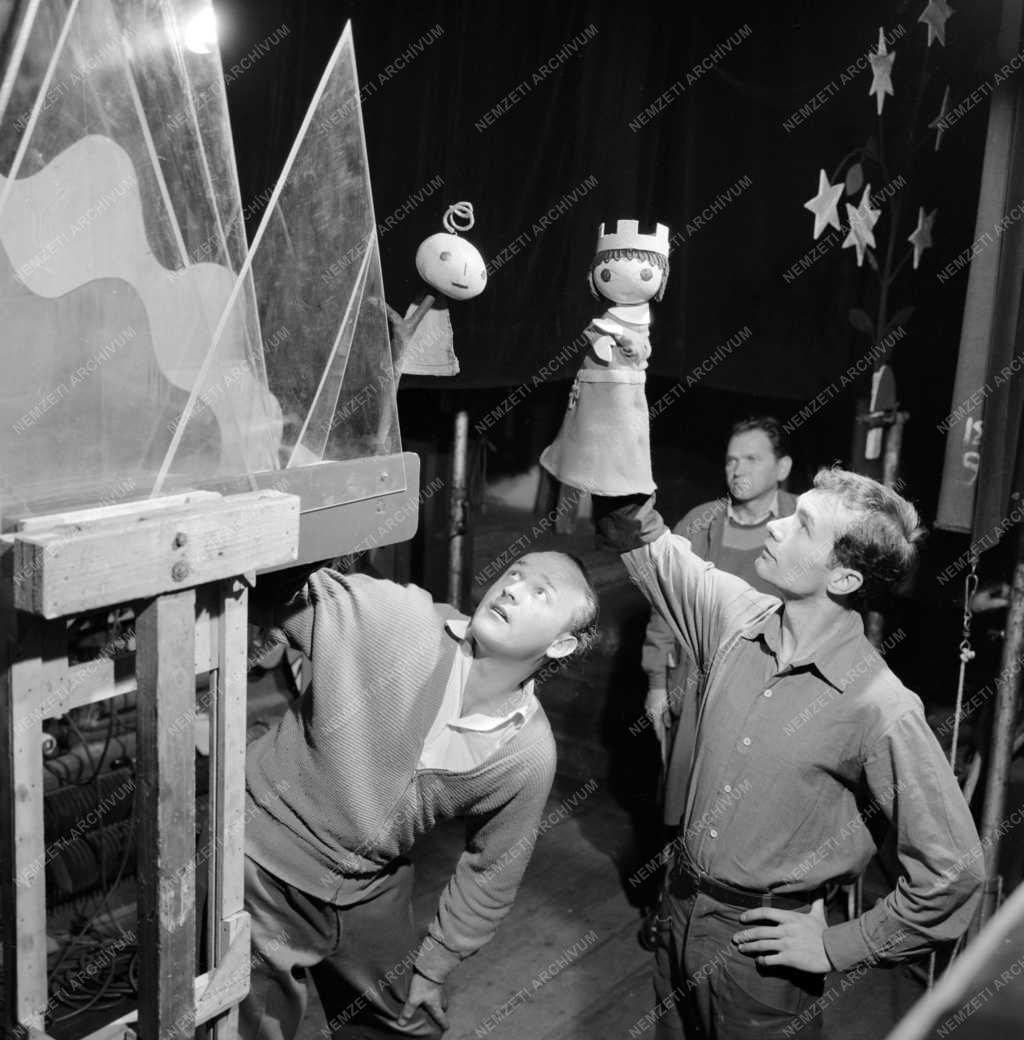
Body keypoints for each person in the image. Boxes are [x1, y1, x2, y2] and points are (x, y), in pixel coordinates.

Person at [588, 469, 984, 1039]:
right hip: (677, 909)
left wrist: (837, 945)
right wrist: (615, 413)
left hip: (760, 952)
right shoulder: (734, 620)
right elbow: (637, 532)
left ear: (844, 577)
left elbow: (954, 873)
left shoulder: (880, 706)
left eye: (803, 525)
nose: (775, 525)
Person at [240, 551, 599, 1039]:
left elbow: (493, 870)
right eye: (514, 573)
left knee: (413, 1023)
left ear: (561, 644)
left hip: (366, 880)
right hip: (265, 857)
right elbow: (289, 595)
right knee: (249, 1026)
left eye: (541, 593)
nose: (513, 588)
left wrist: (435, 965)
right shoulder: (401, 621)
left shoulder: (527, 752)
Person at [637, 417, 796, 962]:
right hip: (700, 689)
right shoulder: (701, 522)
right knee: (684, 802)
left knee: (754, 808)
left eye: (752, 459)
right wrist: (657, 683)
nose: (737, 469)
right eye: (731, 459)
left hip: (772, 694)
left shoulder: (800, 522)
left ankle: (738, 923)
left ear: (782, 467)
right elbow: (665, 602)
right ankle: (670, 906)